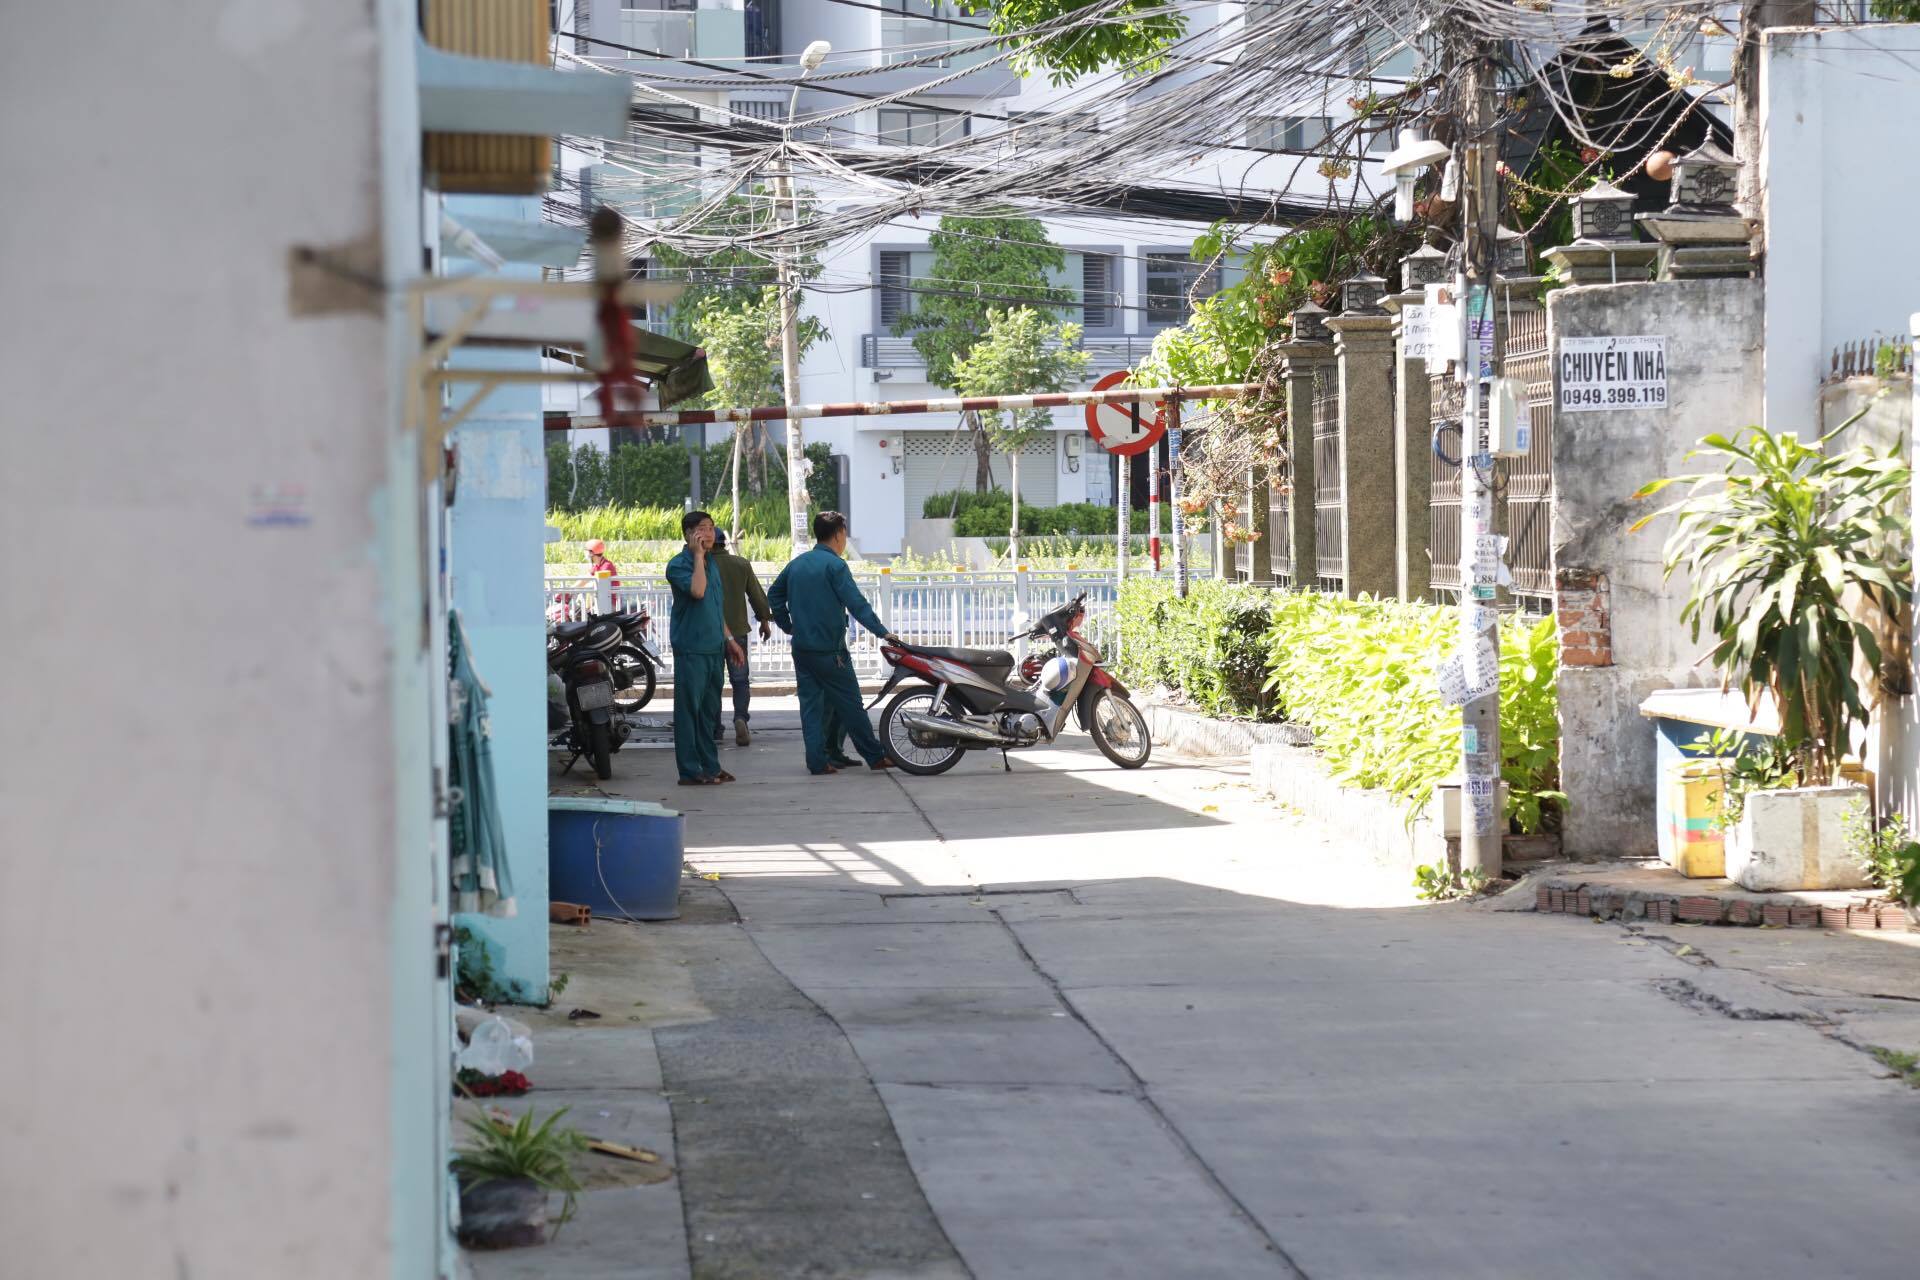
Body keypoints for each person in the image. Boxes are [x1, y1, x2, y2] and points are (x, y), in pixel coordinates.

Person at [768, 511, 901, 776]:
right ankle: (875, 756)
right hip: (830, 651)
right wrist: (883, 633)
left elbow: (774, 595)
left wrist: (788, 626)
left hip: (803, 649)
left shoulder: (797, 564)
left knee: (812, 707)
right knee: (851, 704)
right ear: (839, 534)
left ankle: (819, 760)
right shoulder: (835, 566)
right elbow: (856, 604)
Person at [664, 512, 746, 786]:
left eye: (711, 528)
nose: (709, 534)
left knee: (709, 712)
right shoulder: (679, 565)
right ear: (689, 534)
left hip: (714, 648)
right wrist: (698, 556)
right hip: (692, 647)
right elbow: (698, 592)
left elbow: (715, 607)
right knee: (689, 711)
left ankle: (711, 766)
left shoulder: (712, 564)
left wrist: (730, 640)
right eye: (702, 529)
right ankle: (689, 770)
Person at [709, 528, 772, 746]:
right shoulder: (741, 564)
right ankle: (740, 718)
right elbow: (756, 594)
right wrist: (764, 620)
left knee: (713, 682)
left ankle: (715, 728)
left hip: (711, 633)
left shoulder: (703, 565)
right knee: (740, 680)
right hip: (738, 633)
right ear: (724, 543)